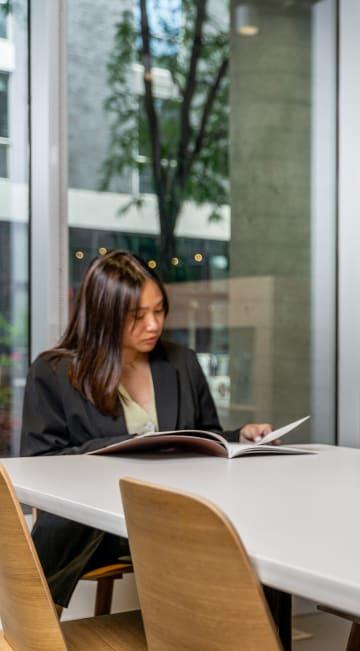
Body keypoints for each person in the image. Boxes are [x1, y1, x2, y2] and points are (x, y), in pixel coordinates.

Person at [21, 250, 275, 608]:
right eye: (137, 316)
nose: (154, 324)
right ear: (103, 315)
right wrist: (129, 447)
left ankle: (249, 636)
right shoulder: (55, 372)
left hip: (183, 511)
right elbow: (38, 465)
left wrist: (239, 436)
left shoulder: (181, 362)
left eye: (159, 310)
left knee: (258, 535)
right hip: (104, 525)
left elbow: (205, 435)